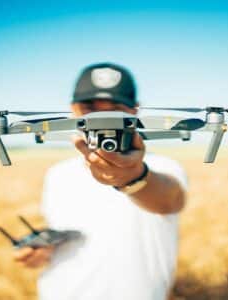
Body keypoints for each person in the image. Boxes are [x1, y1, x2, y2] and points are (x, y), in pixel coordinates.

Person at [13, 62, 188, 300]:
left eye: (115, 109)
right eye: (90, 109)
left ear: (134, 111)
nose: (103, 119)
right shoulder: (57, 175)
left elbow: (168, 200)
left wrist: (134, 177)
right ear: (73, 109)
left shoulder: (164, 167)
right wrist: (42, 252)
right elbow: (67, 235)